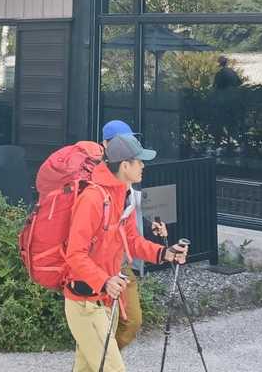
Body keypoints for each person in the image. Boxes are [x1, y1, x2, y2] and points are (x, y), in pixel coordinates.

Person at [64, 133, 186, 372]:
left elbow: (132, 241)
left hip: (105, 301)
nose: (143, 166)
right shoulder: (93, 199)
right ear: (124, 165)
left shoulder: (122, 196)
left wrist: (165, 253)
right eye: (139, 161)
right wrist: (104, 281)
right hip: (85, 304)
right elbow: (75, 254)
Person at [98, 119, 164, 350]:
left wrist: (156, 222)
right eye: (121, 141)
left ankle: (105, 358)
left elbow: (136, 200)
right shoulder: (96, 188)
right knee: (104, 327)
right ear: (105, 144)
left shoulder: (127, 182)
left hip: (121, 263)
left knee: (130, 321)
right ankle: (105, 359)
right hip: (100, 268)